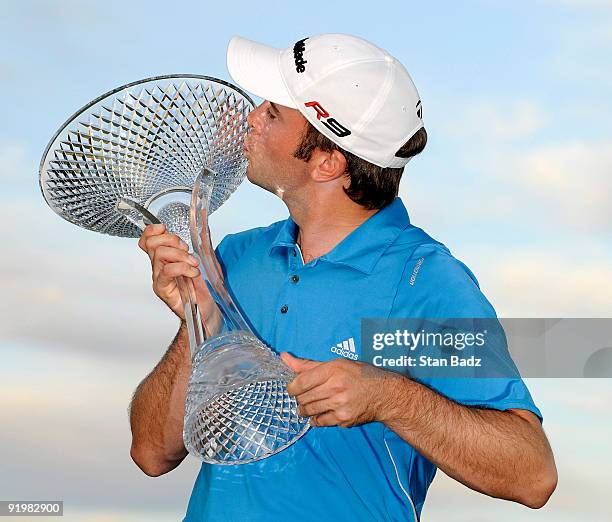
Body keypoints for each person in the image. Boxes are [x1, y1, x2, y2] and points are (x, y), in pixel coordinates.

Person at [129, 34, 557, 521]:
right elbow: (151, 453)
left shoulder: (423, 282)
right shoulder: (239, 258)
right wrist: (197, 319)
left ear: (327, 162)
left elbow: (533, 475)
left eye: (273, 113)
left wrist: (387, 396)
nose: (250, 118)